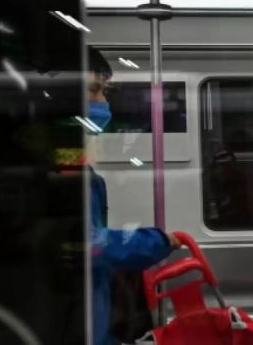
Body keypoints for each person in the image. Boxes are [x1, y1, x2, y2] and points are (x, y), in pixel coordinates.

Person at [86, 47, 180, 345]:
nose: (103, 103)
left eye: (104, 92)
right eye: (94, 91)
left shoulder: (77, 165)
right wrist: (154, 242)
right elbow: (89, 244)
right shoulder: (61, 172)